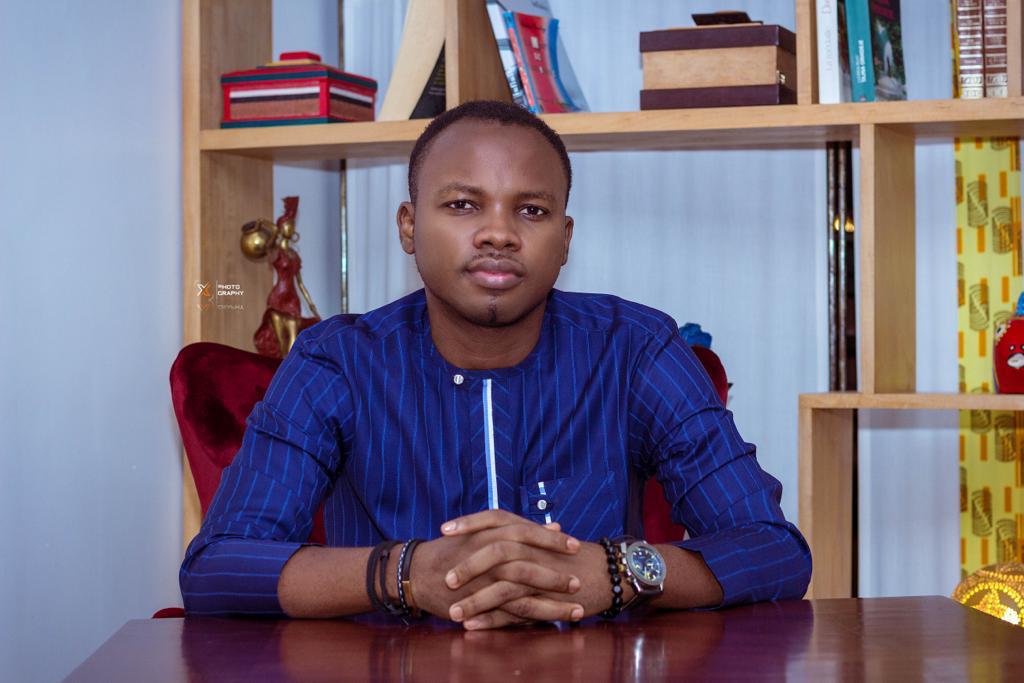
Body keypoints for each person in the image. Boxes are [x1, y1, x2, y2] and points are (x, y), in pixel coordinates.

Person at [180, 100, 811, 629]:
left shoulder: (634, 350)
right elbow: (216, 568)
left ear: (565, 239)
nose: (498, 233)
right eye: (463, 205)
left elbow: (773, 549)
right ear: (408, 226)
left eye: (531, 210)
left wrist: (618, 572)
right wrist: (403, 574)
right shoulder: (337, 361)